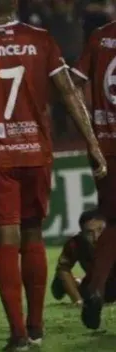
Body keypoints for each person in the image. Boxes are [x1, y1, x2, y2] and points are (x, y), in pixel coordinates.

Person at [0, 0, 107, 350]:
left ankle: (17, 334)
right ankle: (37, 326)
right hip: (35, 152)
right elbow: (69, 93)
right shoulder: (41, 40)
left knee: (6, 241)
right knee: (33, 236)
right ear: (14, 5)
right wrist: (90, 142)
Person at [70, 20, 116, 330]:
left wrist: (89, 129)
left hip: (103, 145)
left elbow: (71, 84)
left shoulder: (100, 37)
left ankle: (96, 287)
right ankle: (98, 287)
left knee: (112, 221)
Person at [50, 209, 116, 306]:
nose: (96, 237)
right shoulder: (75, 244)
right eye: (89, 232)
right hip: (95, 283)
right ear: (82, 234)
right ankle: (79, 284)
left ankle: (79, 283)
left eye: (100, 230)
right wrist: (78, 300)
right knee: (58, 287)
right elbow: (63, 269)